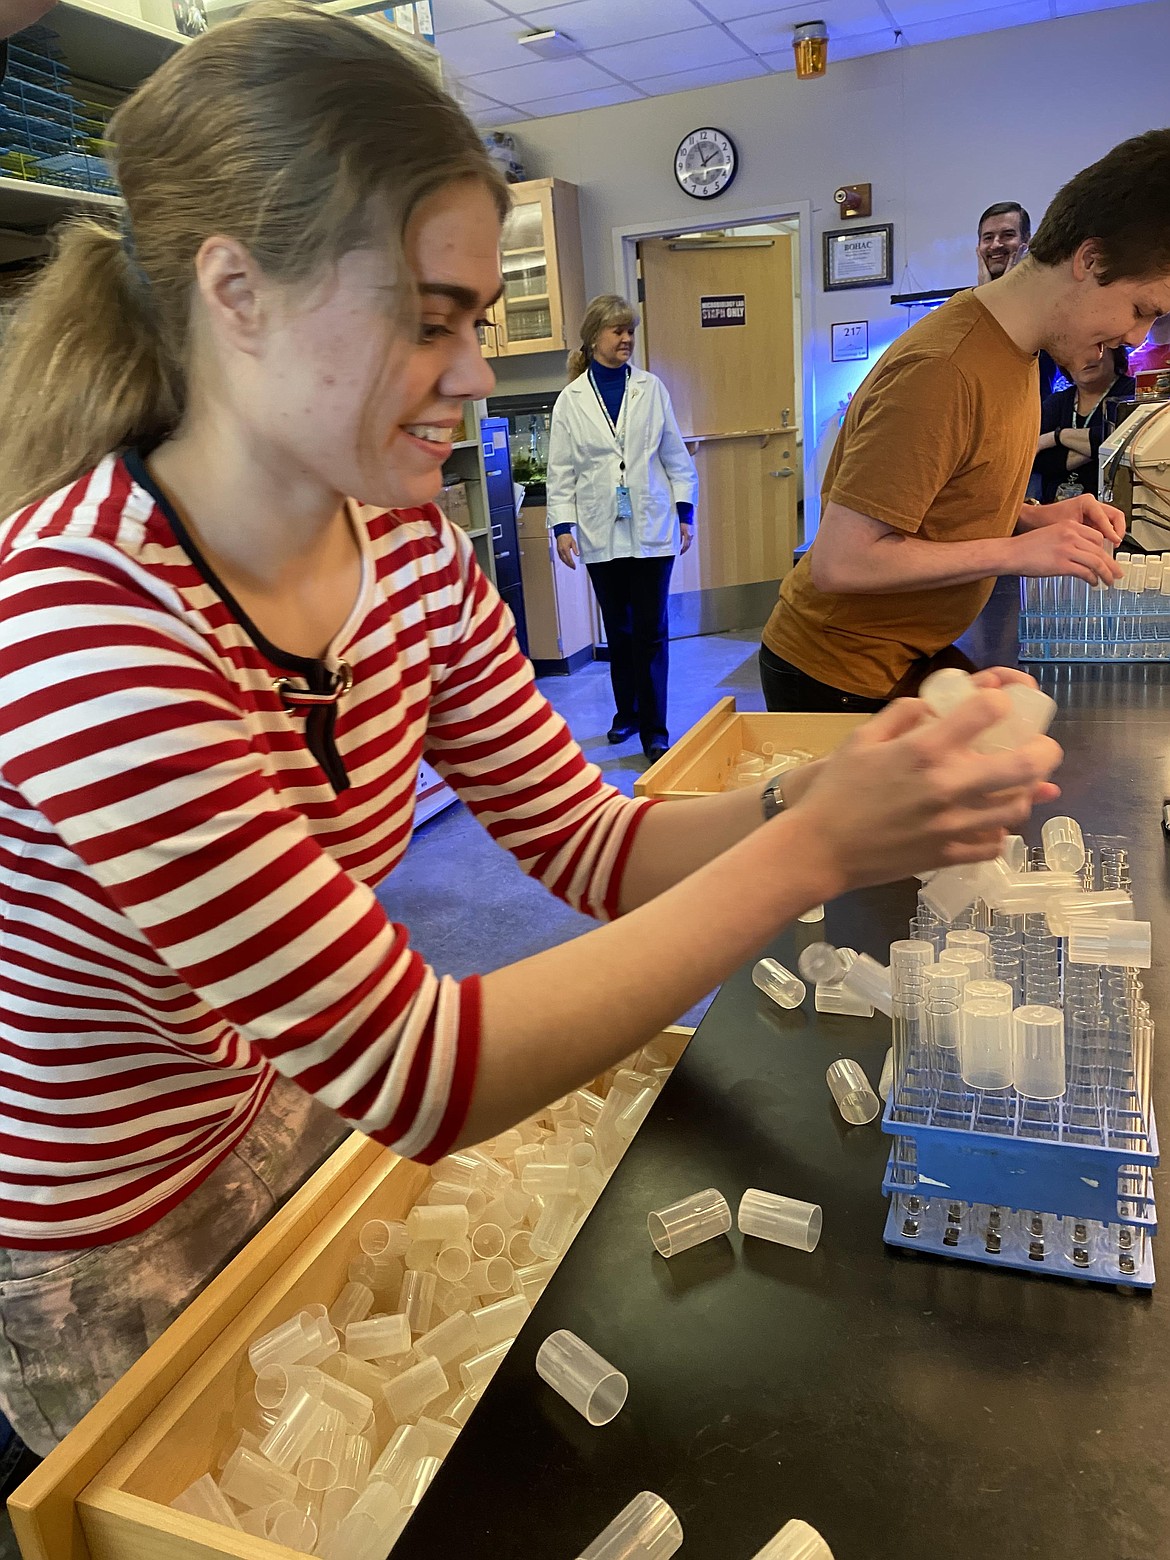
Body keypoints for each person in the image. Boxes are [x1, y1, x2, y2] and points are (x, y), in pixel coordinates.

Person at [0, 1, 1060, 1465]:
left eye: (475, 325)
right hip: (96, 1233)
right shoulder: (85, 624)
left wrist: (835, 788)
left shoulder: (406, 556)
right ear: (233, 290)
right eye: (424, 320)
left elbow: (589, 842)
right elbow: (424, 1069)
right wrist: (815, 839)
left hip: (277, 1105)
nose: (466, 373)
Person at [759, 130, 1170, 713]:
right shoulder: (944, 370)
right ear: (1090, 260)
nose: (1137, 337)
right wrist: (1016, 552)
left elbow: (941, 499)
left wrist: (1032, 517)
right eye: (1141, 310)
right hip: (835, 671)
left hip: (906, 653)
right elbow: (841, 562)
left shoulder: (1019, 355)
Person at [546, 295, 697, 763]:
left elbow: (675, 456)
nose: (627, 338)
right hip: (598, 528)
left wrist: (685, 511)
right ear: (594, 339)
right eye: (617, 331)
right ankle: (625, 714)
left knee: (651, 629)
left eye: (630, 330)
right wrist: (562, 527)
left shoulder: (651, 389)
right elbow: (561, 471)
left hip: (652, 526)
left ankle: (654, 728)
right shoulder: (570, 401)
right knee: (620, 627)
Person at [1032, 345, 1135, 505]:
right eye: (1076, 350)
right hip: (1054, 513)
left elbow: (1130, 442)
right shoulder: (1056, 402)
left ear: (1115, 351)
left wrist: (1057, 436)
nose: (1087, 358)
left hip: (1113, 512)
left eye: (1098, 347)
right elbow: (1035, 460)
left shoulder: (1134, 393)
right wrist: (1098, 447)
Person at [976, 201, 1031, 285]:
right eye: (988, 238)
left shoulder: (1049, 291)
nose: (995, 245)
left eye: (1007, 235)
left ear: (1026, 240)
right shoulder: (963, 298)